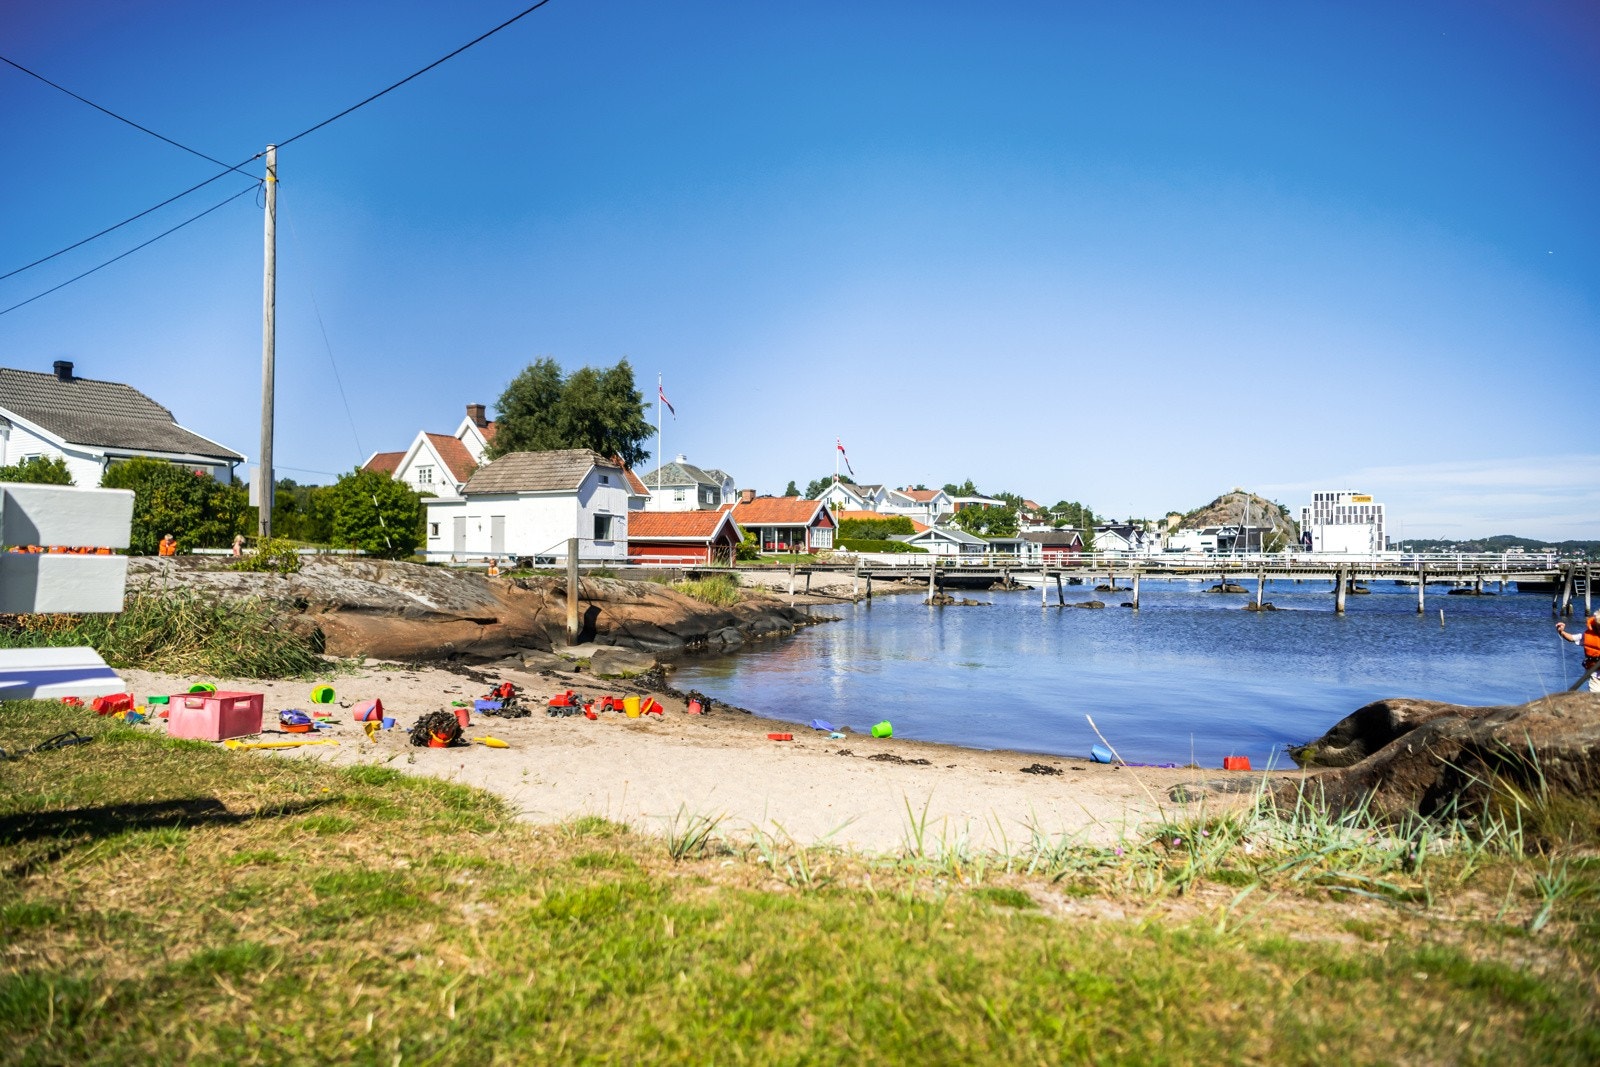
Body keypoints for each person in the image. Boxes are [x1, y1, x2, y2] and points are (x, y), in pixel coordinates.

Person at [1555, 607, 1600, 692]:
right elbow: (1572, 638)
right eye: (1599, 627)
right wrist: (1561, 632)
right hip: (1594, 676)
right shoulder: (1588, 635)